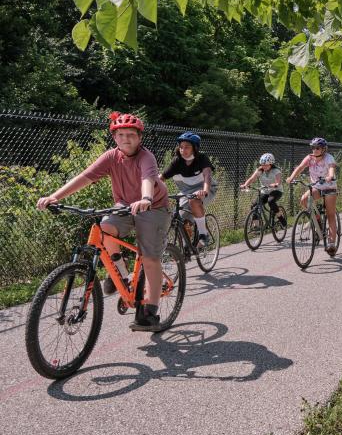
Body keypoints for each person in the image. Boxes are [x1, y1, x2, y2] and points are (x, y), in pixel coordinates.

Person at [36, 112, 171, 331]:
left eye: (130, 135)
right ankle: (121, 273)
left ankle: (150, 312)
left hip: (153, 207)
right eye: (120, 135)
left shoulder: (146, 157)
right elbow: (85, 177)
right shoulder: (110, 157)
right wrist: (55, 197)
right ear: (114, 138)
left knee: (149, 258)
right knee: (105, 227)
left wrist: (146, 198)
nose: (125, 139)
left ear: (139, 138)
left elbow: (147, 179)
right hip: (124, 205)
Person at [162, 132, 218, 246]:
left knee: (194, 201)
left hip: (206, 188)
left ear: (195, 148)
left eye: (187, 147)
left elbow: (207, 175)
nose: (183, 150)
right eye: (181, 147)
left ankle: (204, 234)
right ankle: (186, 248)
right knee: (180, 219)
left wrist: (205, 191)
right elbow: (161, 178)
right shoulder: (177, 161)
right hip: (186, 192)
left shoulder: (202, 158)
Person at [287, 137, 339, 254]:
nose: (314, 150)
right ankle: (318, 222)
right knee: (304, 200)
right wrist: (291, 177)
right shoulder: (309, 158)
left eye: (317, 148)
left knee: (330, 214)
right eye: (313, 148)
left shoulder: (329, 158)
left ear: (323, 149)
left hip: (329, 186)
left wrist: (330, 176)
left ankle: (331, 244)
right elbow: (300, 168)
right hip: (317, 186)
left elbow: (331, 168)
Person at [241, 153, 286, 226]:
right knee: (254, 206)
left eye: (265, 165)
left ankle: (281, 218)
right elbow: (252, 178)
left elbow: (278, 181)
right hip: (265, 191)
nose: (263, 166)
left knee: (270, 201)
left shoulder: (276, 171)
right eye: (262, 164)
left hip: (276, 191)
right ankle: (257, 226)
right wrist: (245, 185)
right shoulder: (260, 170)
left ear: (271, 164)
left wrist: (276, 184)